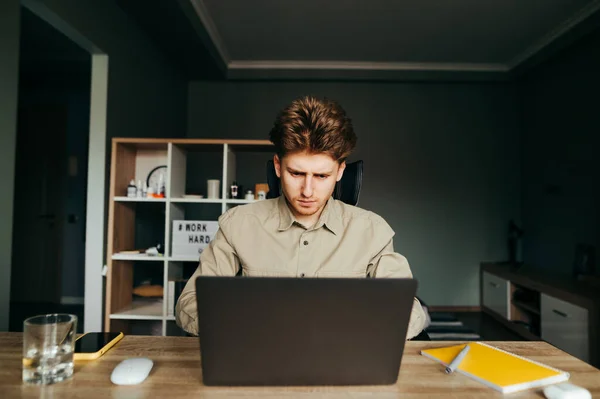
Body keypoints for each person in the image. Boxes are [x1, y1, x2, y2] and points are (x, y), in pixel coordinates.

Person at [175, 95, 426, 339]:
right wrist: (247, 324)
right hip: (259, 356)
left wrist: (354, 326)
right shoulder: (237, 225)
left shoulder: (372, 231)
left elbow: (411, 312)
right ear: (277, 167)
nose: (307, 191)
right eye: (296, 174)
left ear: (340, 171)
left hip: (342, 358)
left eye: (321, 176)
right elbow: (189, 304)